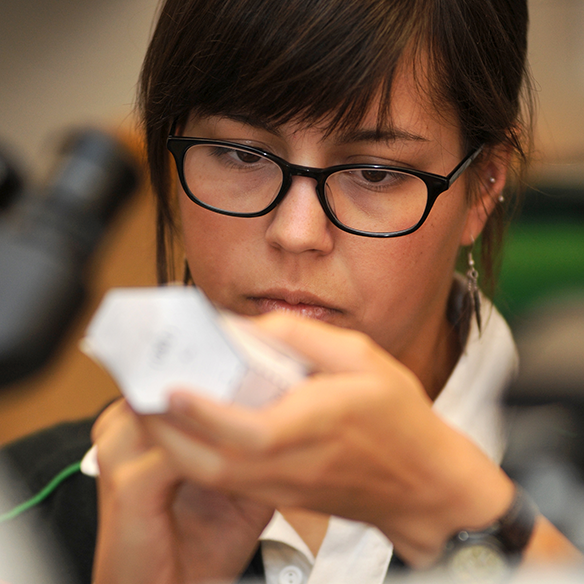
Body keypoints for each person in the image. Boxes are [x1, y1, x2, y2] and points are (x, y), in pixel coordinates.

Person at [0, 0, 581, 583]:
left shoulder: (562, 483)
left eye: (374, 172)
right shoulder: (28, 513)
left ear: (483, 186)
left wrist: (451, 511)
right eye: (241, 154)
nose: (296, 232)